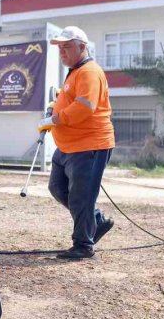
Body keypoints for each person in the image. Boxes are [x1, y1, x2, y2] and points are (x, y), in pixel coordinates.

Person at [38, 26, 115, 260]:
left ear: (83, 47)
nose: (62, 51)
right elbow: (71, 99)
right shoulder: (74, 72)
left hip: (89, 146)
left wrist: (55, 118)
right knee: (57, 188)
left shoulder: (89, 72)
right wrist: (55, 107)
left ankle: (83, 245)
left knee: (81, 196)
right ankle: (96, 221)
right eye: (60, 48)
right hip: (69, 147)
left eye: (67, 47)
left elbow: (84, 107)